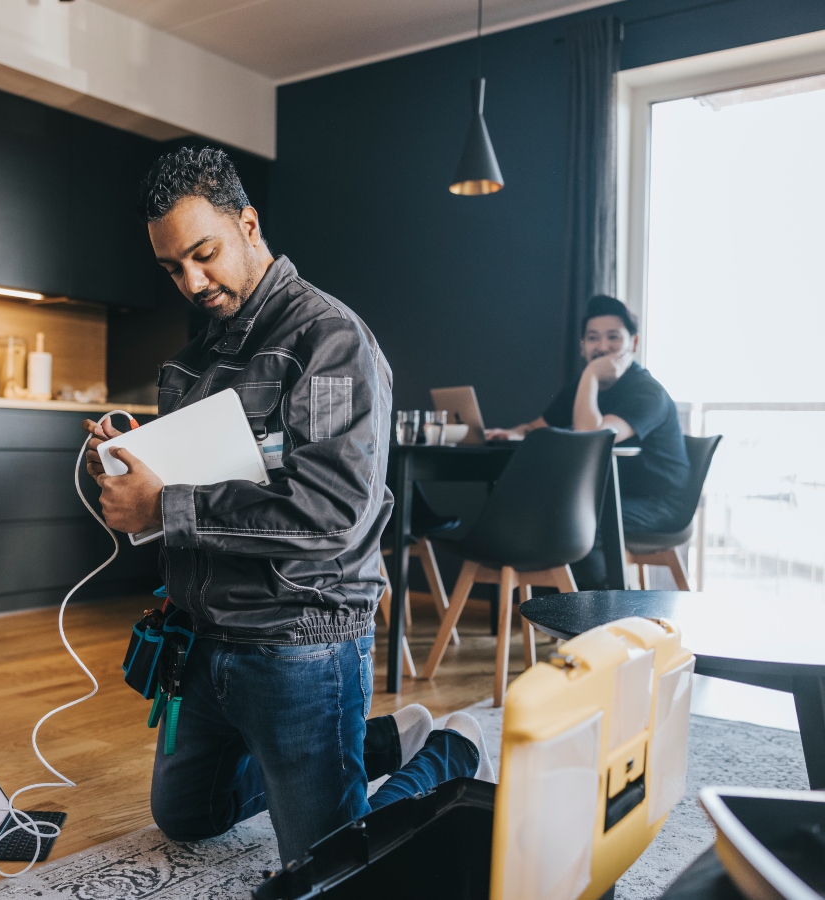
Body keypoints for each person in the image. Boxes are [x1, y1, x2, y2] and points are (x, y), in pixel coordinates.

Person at [81, 147, 494, 866]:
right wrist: (138, 468)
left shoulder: (329, 340)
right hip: (204, 640)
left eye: (203, 254)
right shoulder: (195, 359)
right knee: (187, 816)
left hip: (301, 640)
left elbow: (330, 512)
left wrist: (164, 506)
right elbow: (204, 486)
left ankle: (450, 756)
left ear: (248, 223)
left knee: (331, 872)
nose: (192, 281)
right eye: (173, 267)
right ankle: (379, 743)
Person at [487, 294, 690, 588]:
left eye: (613, 338)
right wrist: (514, 433)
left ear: (634, 344)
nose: (602, 347)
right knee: (562, 511)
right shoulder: (583, 387)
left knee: (582, 520)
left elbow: (589, 439)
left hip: (661, 503)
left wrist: (592, 374)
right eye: (593, 338)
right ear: (583, 345)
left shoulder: (647, 393)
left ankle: (606, 613)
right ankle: (577, 608)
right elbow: (536, 426)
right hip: (612, 497)